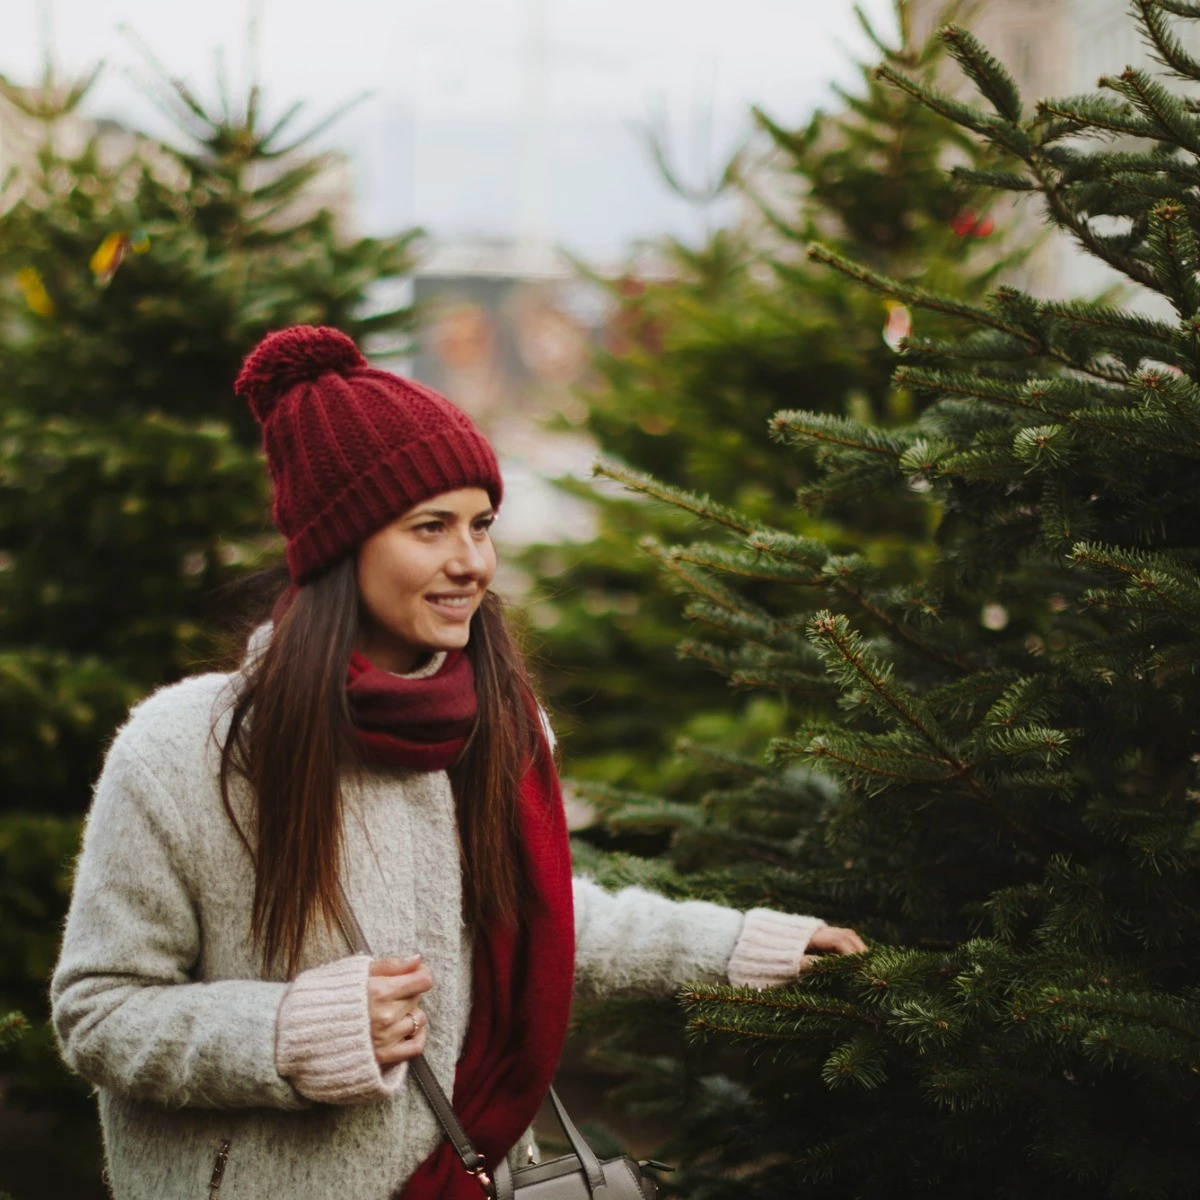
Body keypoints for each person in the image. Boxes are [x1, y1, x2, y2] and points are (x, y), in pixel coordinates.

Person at [50, 325, 867, 1200]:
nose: (472, 562)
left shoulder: (500, 729)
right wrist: (287, 1033)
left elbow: (543, 917)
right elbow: (100, 1011)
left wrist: (745, 947)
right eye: (430, 527)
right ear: (341, 546)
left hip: (454, 1179)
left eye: (481, 525)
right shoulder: (183, 750)